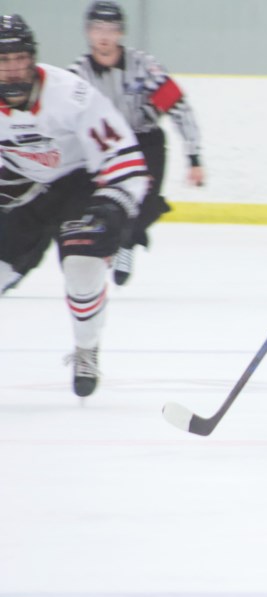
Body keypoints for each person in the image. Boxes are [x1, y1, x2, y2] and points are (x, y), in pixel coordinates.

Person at [0, 14, 148, 397]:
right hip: (24, 188)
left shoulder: (70, 94)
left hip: (83, 183)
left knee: (83, 268)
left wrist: (115, 205)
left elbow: (125, 158)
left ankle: (86, 348)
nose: (14, 69)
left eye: (20, 59)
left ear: (33, 58)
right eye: (3, 60)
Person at [69, 1, 203, 285]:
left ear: (121, 33)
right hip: (104, 147)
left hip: (145, 142)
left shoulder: (145, 68)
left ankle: (127, 244)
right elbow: (60, 120)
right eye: (97, 28)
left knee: (146, 203)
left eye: (111, 29)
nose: (104, 36)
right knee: (101, 204)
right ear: (87, 32)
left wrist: (194, 156)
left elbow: (178, 106)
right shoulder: (77, 75)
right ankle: (111, 244)